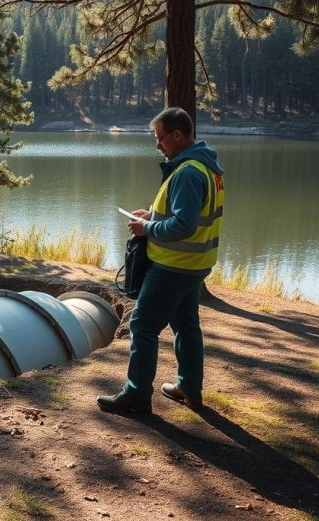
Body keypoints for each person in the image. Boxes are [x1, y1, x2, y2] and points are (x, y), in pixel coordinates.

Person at [98, 107, 224, 415]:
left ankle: (138, 394)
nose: (158, 144)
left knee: (142, 326)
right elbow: (188, 214)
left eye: (160, 138)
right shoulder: (205, 167)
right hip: (194, 264)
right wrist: (152, 215)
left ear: (178, 135)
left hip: (174, 265)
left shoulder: (189, 172)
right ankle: (189, 390)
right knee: (186, 325)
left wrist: (147, 228)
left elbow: (184, 225)